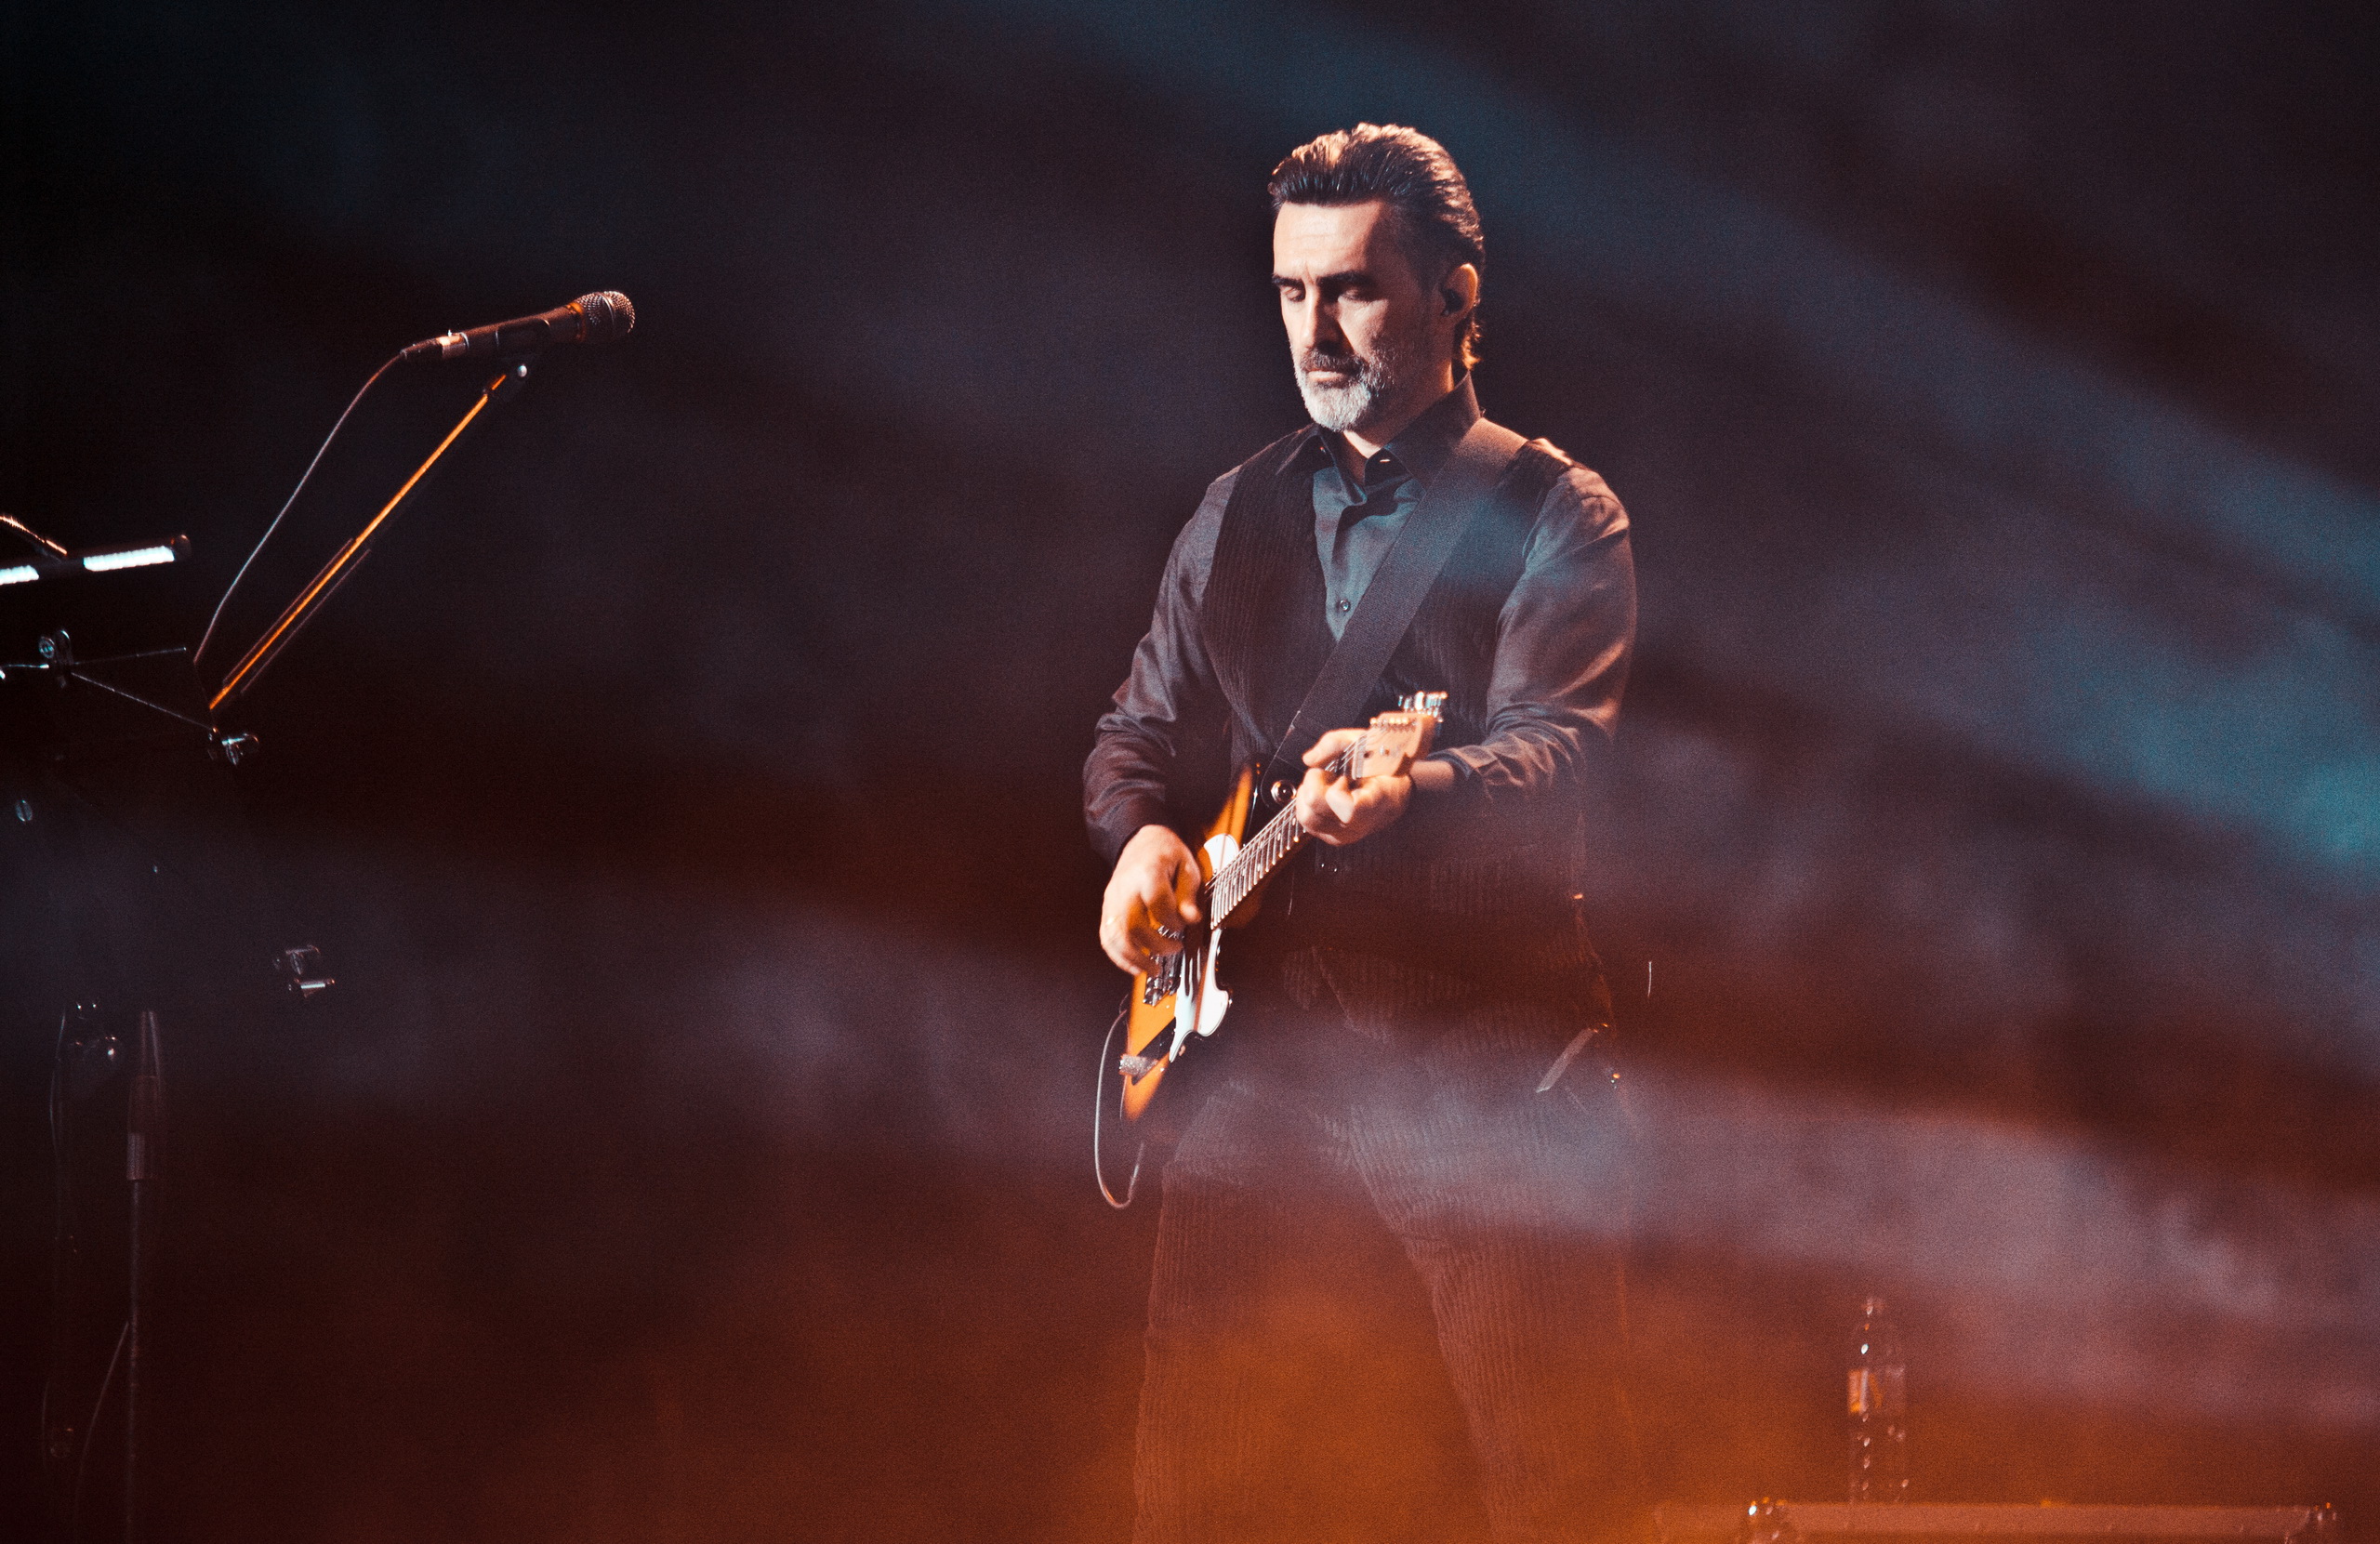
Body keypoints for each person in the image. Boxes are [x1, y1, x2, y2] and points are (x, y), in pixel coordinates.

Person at [1084, 124, 1639, 1544]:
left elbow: (1557, 753)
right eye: (1290, 291)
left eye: (1351, 289)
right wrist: (1139, 842)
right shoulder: (1234, 509)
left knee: (1557, 1492)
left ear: (1457, 296)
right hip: (1261, 1069)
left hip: (1486, 1065)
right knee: (1196, 1500)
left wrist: (1419, 790)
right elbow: (1133, 735)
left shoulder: (1556, 511)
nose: (1313, 329)